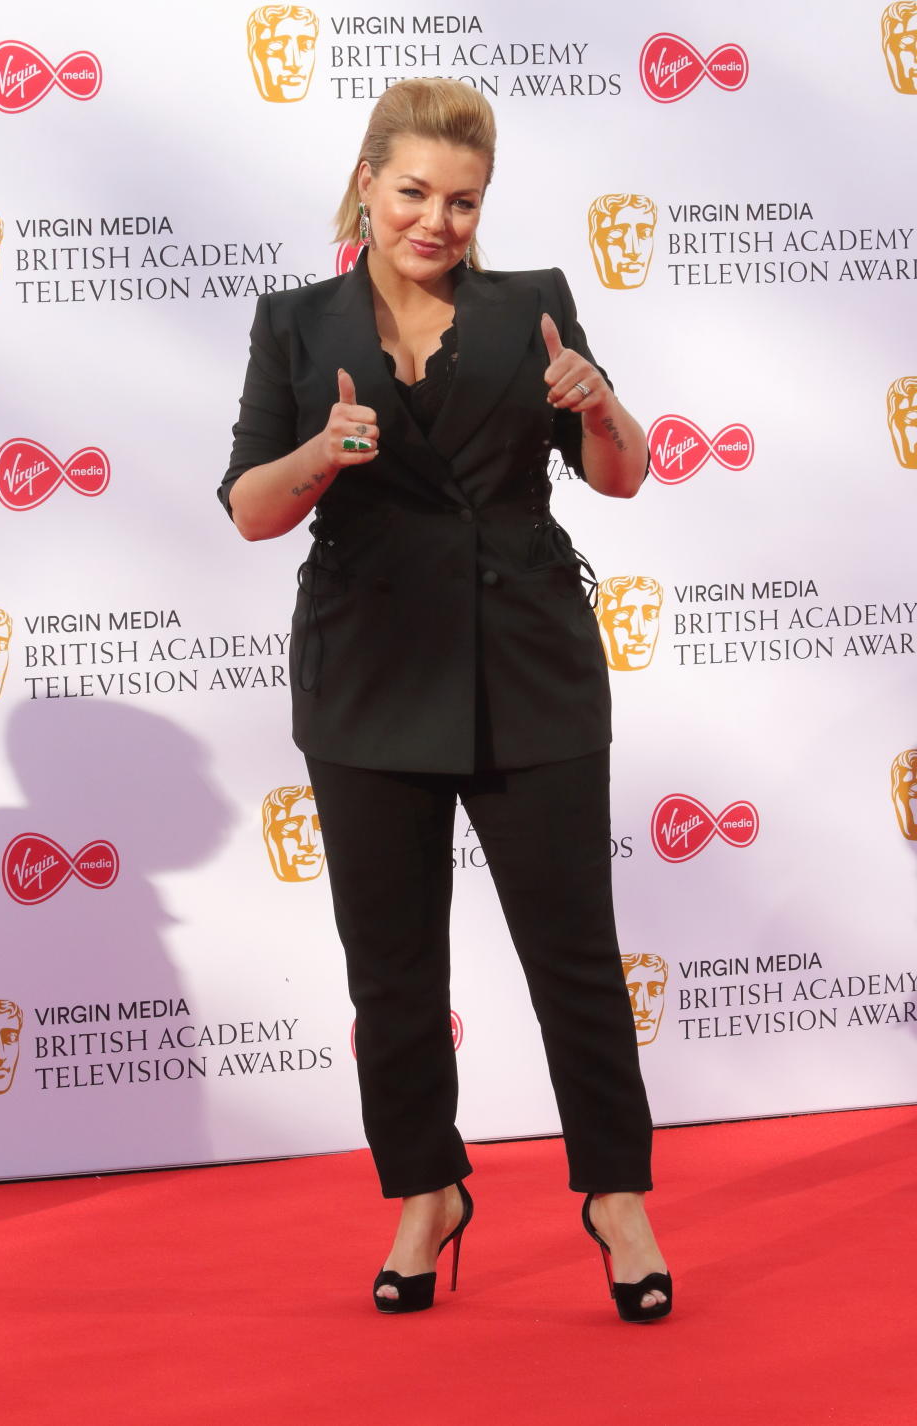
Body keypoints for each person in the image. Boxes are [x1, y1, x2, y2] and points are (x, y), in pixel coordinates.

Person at [219, 78, 671, 1323]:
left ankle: (617, 1196)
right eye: (414, 191)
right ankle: (428, 1190)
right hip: (368, 677)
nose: (437, 220)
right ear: (367, 182)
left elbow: (621, 478)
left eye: (462, 200)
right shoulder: (296, 325)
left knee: (574, 951)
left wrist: (600, 402)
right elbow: (251, 506)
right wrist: (321, 453)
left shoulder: (535, 309)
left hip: (530, 669)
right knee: (394, 965)